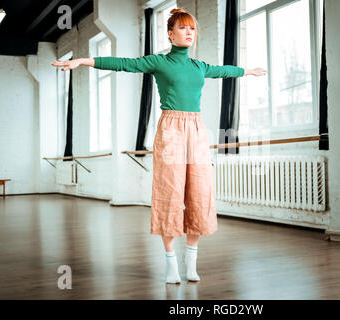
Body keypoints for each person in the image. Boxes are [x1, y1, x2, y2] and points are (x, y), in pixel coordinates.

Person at [52, 8, 267, 284]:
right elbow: (124, 63)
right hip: (171, 130)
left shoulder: (199, 66)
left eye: (192, 29)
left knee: (199, 194)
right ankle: (170, 264)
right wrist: (83, 61)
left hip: (197, 130)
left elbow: (223, 70)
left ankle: (191, 261)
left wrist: (248, 71)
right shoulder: (159, 62)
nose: (189, 33)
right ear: (170, 33)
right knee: (170, 194)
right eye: (183, 28)